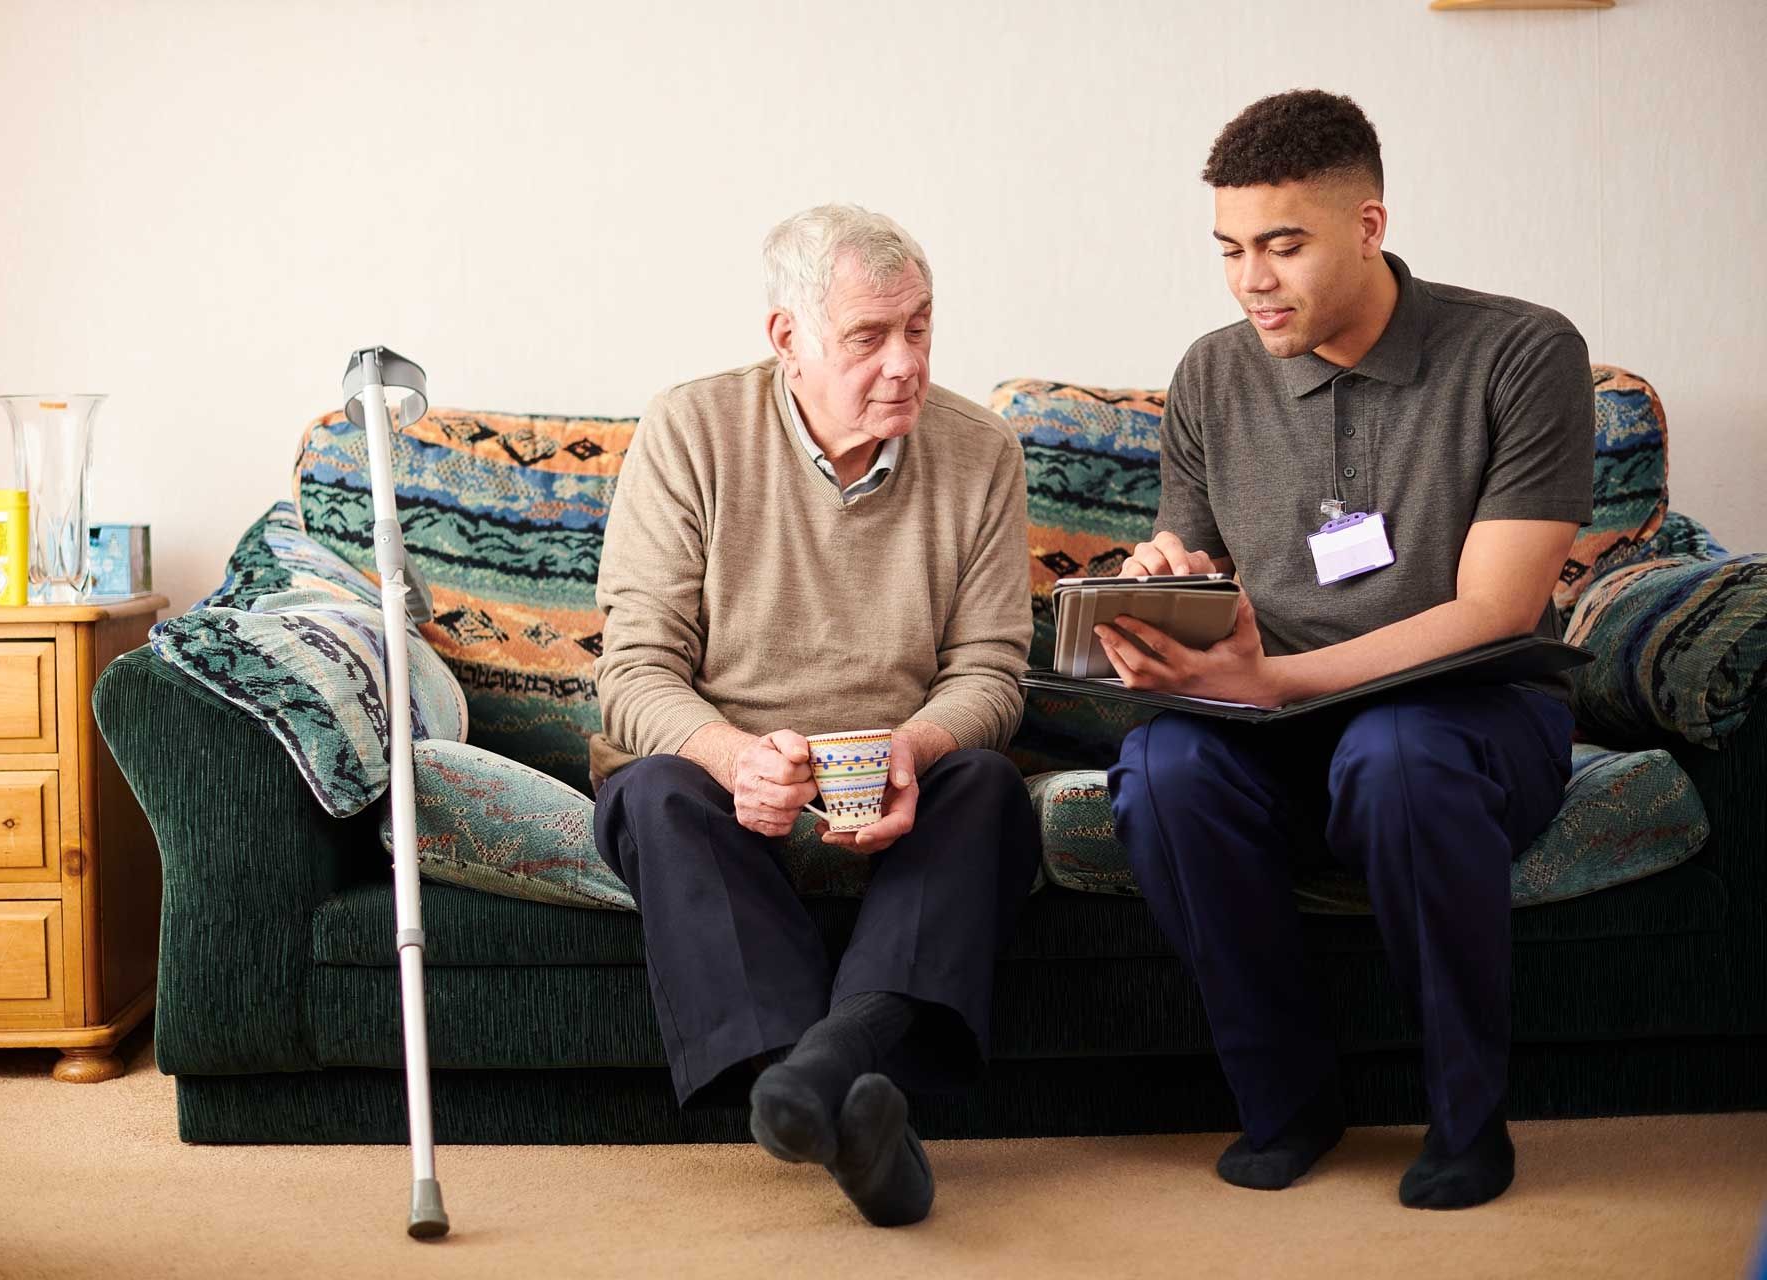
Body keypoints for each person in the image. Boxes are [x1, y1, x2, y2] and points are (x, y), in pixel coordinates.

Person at [1101, 90, 1595, 1210]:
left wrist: (1277, 677)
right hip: (1276, 719)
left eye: (1283, 244)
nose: (1250, 280)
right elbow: (1208, 568)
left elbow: (1498, 608)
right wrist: (1167, 586)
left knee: (1397, 753)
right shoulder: (1212, 375)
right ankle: (1289, 1101)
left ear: (1369, 225)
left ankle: (1468, 1121)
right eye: (1229, 248)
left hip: (1466, 714)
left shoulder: (1522, 352)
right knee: (1163, 772)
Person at [590, 203, 1041, 1227]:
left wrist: (916, 745)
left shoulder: (979, 451)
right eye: (868, 337)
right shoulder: (691, 429)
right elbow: (633, 672)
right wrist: (734, 755)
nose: (905, 363)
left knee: (988, 784)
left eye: (919, 327)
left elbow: (992, 672)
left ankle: (817, 1073)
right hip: (720, 776)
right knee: (651, 790)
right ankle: (847, 1090)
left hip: (900, 780)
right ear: (787, 339)